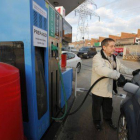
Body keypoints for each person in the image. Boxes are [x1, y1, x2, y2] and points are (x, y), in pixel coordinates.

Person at [91, 38, 140, 131]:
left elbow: (121, 68)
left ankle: (107, 120)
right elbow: (101, 70)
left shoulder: (114, 57)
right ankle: (97, 122)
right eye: (111, 46)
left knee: (108, 107)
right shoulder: (97, 58)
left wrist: (132, 71)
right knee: (96, 108)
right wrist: (118, 75)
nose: (114, 48)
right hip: (98, 89)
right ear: (104, 47)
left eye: (115, 46)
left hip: (109, 88)